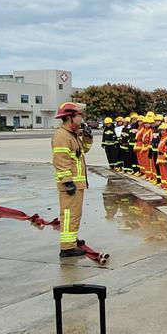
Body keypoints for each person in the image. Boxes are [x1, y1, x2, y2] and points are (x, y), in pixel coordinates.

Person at [52, 102, 93, 258]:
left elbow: (82, 152)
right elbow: (61, 160)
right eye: (79, 115)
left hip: (77, 183)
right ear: (70, 117)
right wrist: (67, 181)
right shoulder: (62, 136)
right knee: (69, 214)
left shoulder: (72, 135)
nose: (81, 118)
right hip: (71, 184)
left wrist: (88, 139)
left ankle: (71, 239)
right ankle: (67, 248)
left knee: (75, 214)